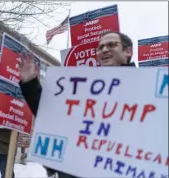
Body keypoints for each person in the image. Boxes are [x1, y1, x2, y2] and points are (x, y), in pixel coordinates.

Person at [17, 31, 135, 178]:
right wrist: (30, 85)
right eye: (100, 47)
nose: (104, 50)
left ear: (127, 51)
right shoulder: (85, 88)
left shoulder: (146, 89)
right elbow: (52, 117)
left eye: (111, 45)